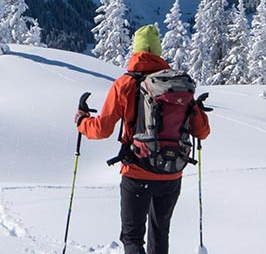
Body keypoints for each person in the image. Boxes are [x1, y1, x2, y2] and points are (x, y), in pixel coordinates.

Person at [75, 24, 210, 254]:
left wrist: (81, 122)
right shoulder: (177, 87)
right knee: (160, 231)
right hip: (171, 173)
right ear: (157, 51)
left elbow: (102, 129)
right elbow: (202, 132)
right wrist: (196, 109)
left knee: (133, 237)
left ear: (136, 51)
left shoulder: (125, 84)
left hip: (137, 172)